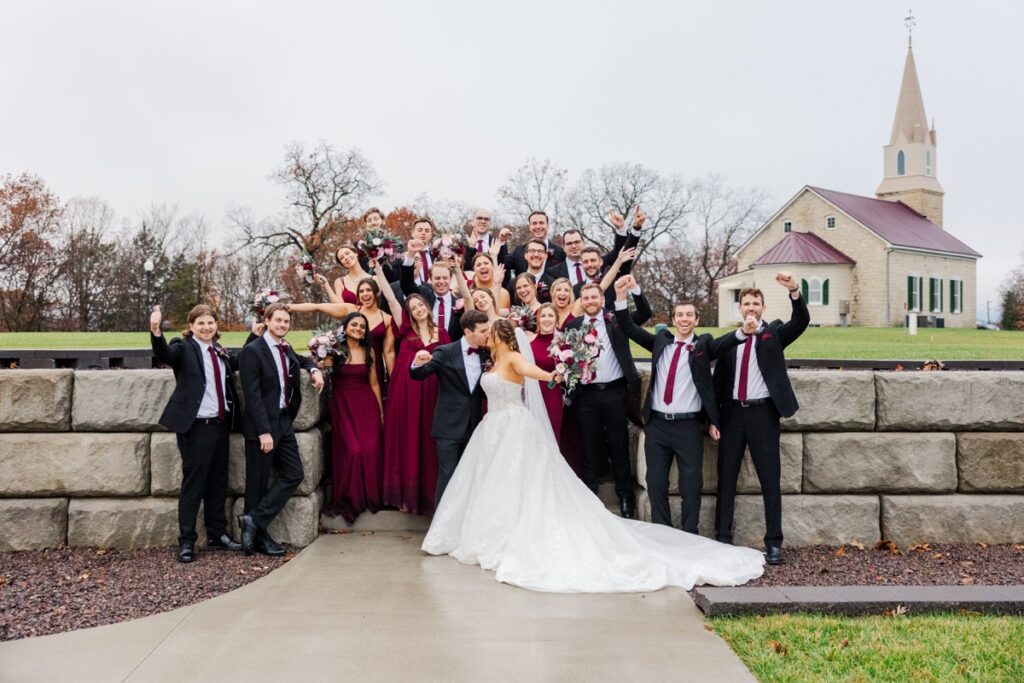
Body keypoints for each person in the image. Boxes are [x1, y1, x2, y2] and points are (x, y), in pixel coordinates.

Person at [421, 318, 764, 593]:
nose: (485, 337)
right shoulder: (492, 360)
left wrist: (555, 373)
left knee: (517, 481)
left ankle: (510, 537)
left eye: (489, 333)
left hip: (513, 427)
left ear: (499, 337)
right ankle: (488, 533)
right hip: (492, 430)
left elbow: (533, 373)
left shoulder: (511, 357)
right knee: (492, 483)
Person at [614, 280, 748, 533]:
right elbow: (628, 328)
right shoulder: (660, 342)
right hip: (657, 425)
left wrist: (743, 331)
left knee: (691, 485)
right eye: (680, 315)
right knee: (655, 482)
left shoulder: (703, 346)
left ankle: (689, 534)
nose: (684, 319)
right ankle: (663, 533)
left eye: (689, 315)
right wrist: (622, 295)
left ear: (696, 320)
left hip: (688, 426)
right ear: (674, 319)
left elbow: (724, 344)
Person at [713, 273, 810, 566]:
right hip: (732, 415)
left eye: (756, 304)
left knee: (769, 479)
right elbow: (716, 381)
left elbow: (801, 322)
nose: (751, 308)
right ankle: (722, 537)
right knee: (726, 478)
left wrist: (794, 290)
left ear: (763, 308)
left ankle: (774, 542)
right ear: (739, 308)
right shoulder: (730, 341)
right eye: (746, 303)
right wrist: (713, 419)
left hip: (763, 414)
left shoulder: (774, 334)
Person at [150, 304, 251, 562]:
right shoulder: (183, 348)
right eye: (201, 323)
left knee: (218, 482)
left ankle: (217, 534)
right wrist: (156, 330)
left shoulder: (219, 350)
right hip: (196, 428)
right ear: (191, 326)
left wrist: (255, 335)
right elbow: (165, 355)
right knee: (194, 484)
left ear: (216, 325)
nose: (206, 327)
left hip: (220, 425)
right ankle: (186, 540)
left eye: (210, 323)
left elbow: (239, 362)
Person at [237, 303, 325, 556]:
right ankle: (258, 538)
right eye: (278, 320)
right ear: (267, 321)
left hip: (284, 422)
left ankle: (253, 521)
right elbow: (252, 395)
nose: (283, 325)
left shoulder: (285, 348)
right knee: (257, 483)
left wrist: (314, 370)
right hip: (262, 426)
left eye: (286, 321)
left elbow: (302, 359)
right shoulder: (252, 351)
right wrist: (263, 431)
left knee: (294, 474)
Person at [563, 281, 648, 518]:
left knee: (619, 445)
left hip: (614, 392)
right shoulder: (573, 326)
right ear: (581, 301)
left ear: (602, 299)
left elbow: (644, 314)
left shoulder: (617, 321)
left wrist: (635, 290)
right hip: (586, 395)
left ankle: (625, 498)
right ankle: (590, 495)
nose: (590, 301)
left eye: (594, 297)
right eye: (586, 298)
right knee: (589, 446)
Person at [378, 275, 449, 515]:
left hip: (433, 393)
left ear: (427, 307)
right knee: (408, 436)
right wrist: (377, 267)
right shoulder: (406, 330)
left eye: (420, 305)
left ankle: (429, 495)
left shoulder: (442, 333)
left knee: (428, 438)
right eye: (413, 308)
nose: (418, 310)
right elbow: (390, 298)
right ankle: (406, 495)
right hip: (406, 392)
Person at [409, 310, 491, 507]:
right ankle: (441, 521)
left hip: (474, 425)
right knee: (448, 474)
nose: (488, 334)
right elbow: (420, 375)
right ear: (468, 332)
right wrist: (417, 363)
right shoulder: (445, 352)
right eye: (483, 331)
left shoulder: (487, 354)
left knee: (470, 476)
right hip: (448, 426)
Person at [289, 276, 396, 396]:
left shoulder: (387, 319)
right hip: (348, 366)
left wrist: (395, 381)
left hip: (373, 367)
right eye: (361, 291)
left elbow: (389, 352)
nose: (365, 294)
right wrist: (288, 307)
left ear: (377, 292)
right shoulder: (350, 309)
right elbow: (317, 307)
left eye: (368, 290)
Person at [327, 311, 384, 525]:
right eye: (354, 325)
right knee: (353, 450)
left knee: (371, 449)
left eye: (362, 326)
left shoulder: (369, 351)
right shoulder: (334, 349)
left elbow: (374, 383)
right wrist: (322, 365)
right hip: (342, 404)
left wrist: (380, 412)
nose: (358, 329)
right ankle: (351, 498)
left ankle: (370, 497)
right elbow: (320, 367)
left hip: (366, 404)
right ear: (345, 327)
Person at [400, 239, 474, 342]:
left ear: (450, 278)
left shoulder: (459, 302)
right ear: (430, 279)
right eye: (437, 278)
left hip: (453, 348)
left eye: (445, 278)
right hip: (428, 347)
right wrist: (410, 254)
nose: (441, 281)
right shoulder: (423, 296)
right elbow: (406, 284)